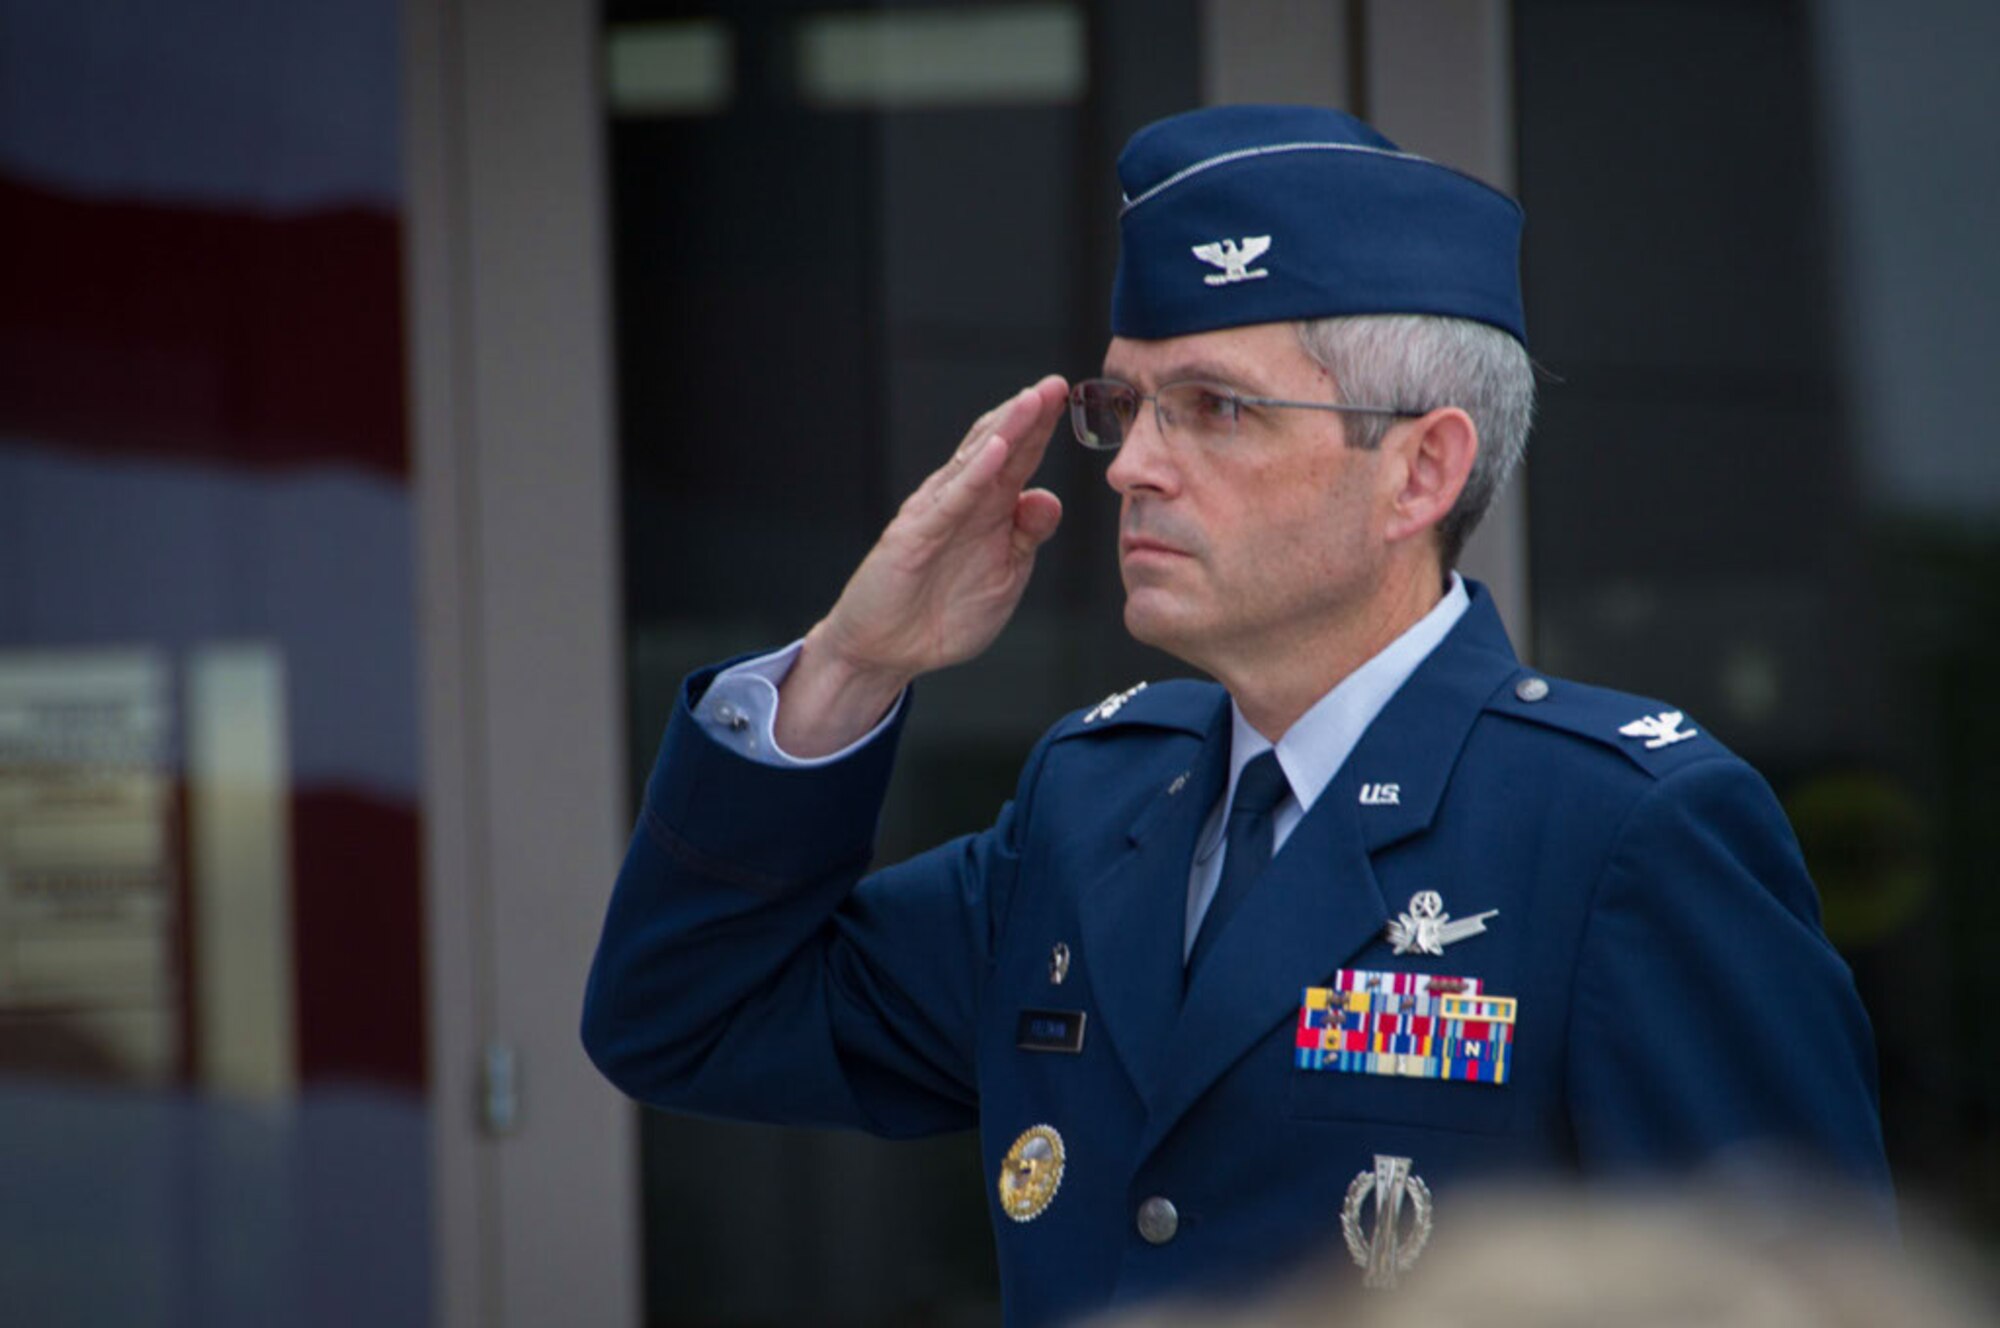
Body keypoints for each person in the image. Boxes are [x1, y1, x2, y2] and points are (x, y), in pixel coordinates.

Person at [582, 104, 1891, 1328]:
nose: (1138, 466)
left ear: (1420, 470)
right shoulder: (1098, 804)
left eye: (1214, 410)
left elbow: (1796, 1296)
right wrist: (852, 671)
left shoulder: (1623, 832)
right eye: (1124, 409)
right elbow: (685, 1018)